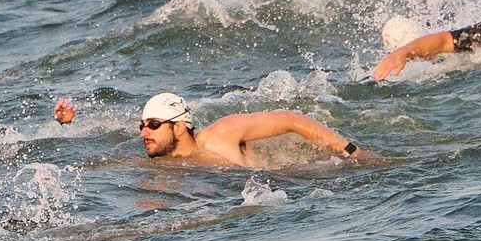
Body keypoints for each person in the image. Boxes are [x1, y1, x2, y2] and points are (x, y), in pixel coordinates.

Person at [134, 93, 365, 168]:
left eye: (154, 125)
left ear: (179, 127)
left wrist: (349, 150)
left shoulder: (222, 134)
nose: (145, 132)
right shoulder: (162, 166)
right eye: (142, 126)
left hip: (301, 178)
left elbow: (291, 119)